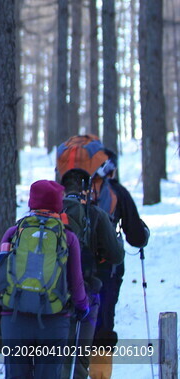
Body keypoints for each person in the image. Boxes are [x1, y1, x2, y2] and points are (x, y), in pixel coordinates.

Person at [0, 180, 89, 379]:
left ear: (31, 202)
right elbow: (76, 281)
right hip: (54, 319)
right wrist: (82, 307)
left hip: (15, 318)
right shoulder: (68, 238)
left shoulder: (13, 234)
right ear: (58, 204)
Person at [89, 149, 150, 379]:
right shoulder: (117, 192)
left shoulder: (73, 192)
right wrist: (144, 233)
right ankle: (100, 375)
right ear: (111, 168)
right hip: (107, 270)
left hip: (72, 267)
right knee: (103, 325)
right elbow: (135, 236)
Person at [59, 168, 124, 379]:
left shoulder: (46, 214)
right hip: (85, 296)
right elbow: (116, 255)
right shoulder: (95, 214)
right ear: (87, 189)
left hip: (47, 296)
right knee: (78, 358)